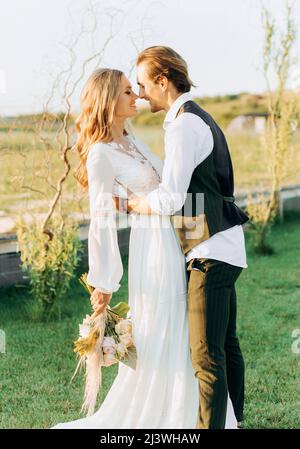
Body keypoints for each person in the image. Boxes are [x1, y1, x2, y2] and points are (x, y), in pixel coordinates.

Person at [51, 67, 237, 429]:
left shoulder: (132, 139)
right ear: (107, 101)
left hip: (173, 240)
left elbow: (170, 188)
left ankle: (191, 412)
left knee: (185, 325)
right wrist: (103, 282)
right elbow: (101, 219)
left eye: (135, 89)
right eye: (126, 92)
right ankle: (164, 414)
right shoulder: (100, 154)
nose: (136, 96)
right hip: (150, 248)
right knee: (162, 322)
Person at [128, 46, 248, 429]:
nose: (141, 92)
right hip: (222, 246)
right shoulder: (196, 118)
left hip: (211, 252)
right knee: (225, 346)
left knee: (204, 354)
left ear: (162, 81)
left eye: (143, 84)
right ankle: (235, 421)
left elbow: (171, 198)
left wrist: (130, 204)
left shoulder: (183, 127)